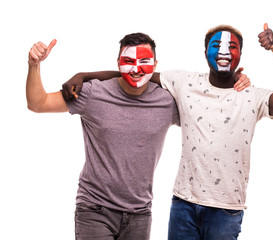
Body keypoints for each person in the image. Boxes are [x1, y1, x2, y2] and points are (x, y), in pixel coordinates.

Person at [62, 23, 273, 240]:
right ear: (205, 53)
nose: (223, 51)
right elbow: (137, 72)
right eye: (216, 45)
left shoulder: (253, 96)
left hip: (226, 207)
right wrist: (85, 75)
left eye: (231, 46)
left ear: (240, 55)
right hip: (183, 205)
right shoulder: (185, 83)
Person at [26, 33, 181, 240]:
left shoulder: (167, 103)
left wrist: (236, 81)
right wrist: (34, 65)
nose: (136, 69)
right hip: (95, 209)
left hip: (140, 214)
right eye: (128, 61)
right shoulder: (93, 94)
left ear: (155, 64)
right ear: (118, 63)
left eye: (144, 62)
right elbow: (38, 103)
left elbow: (206, 109)